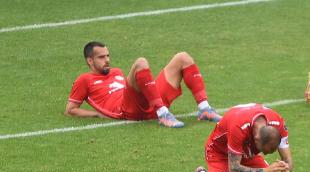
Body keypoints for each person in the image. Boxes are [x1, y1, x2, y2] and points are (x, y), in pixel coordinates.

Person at [65, 41, 221, 128]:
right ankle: (163, 114)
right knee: (141, 62)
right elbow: (70, 110)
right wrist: (97, 114)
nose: (107, 60)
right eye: (101, 57)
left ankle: (204, 109)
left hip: (149, 102)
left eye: (108, 55)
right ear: (90, 60)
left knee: (183, 57)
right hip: (127, 109)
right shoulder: (84, 79)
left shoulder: (116, 71)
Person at [194, 103, 293, 172]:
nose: (265, 154)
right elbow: (233, 168)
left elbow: (288, 160)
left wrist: (285, 167)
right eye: (263, 150)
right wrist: (264, 171)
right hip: (219, 152)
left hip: (246, 154)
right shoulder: (238, 127)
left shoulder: (278, 124)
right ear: (256, 139)